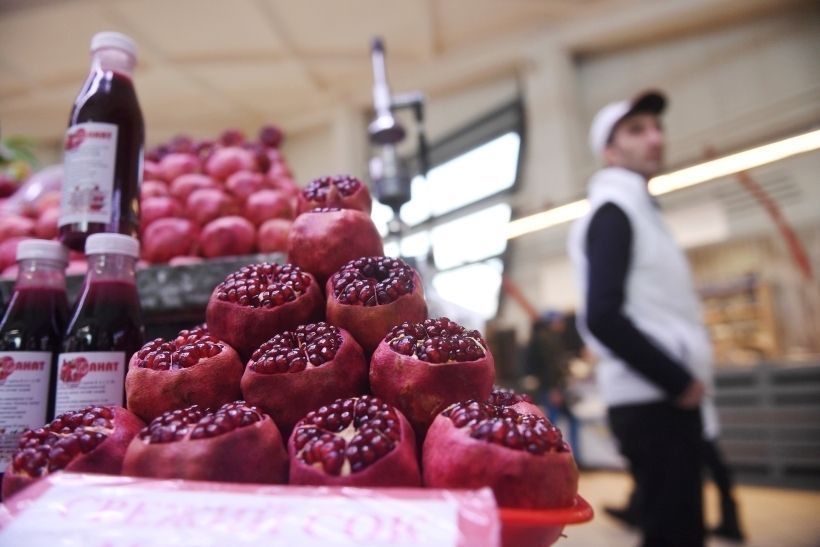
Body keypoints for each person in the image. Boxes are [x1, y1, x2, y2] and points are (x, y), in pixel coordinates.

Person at [567, 90, 711, 547]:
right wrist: (678, 381)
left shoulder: (637, 210)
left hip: (660, 400)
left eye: (656, 127)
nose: (655, 137)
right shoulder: (614, 213)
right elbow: (604, 316)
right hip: (655, 402)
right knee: (676, 533)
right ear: (610, 152)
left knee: (672, 528)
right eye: (636, 130)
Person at [525, 311, 581, 459]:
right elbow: (549, 367)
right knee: (553, 425)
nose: (562, 325)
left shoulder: (545, 337)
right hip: (551, 388)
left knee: (559, 422)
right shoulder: (547, 339)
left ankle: (561, 457)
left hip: (552, 387)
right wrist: (553, 389)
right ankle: (558, 458)